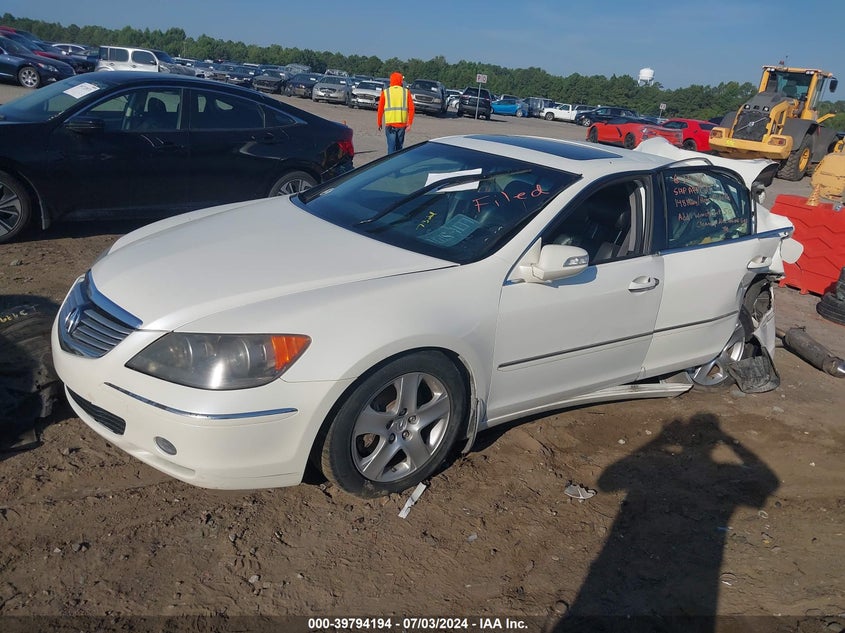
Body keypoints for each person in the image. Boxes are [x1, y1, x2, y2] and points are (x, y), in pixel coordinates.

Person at [377, 72, 414, 154]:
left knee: (391, 148)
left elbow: (380, 109)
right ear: (401, 81)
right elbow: (411, 109)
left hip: (390, 125)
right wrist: (410, 123)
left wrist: (379, 123)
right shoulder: (406, 92)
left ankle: (390, 165)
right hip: (402, 125)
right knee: (399, 149)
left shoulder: (385, 92)